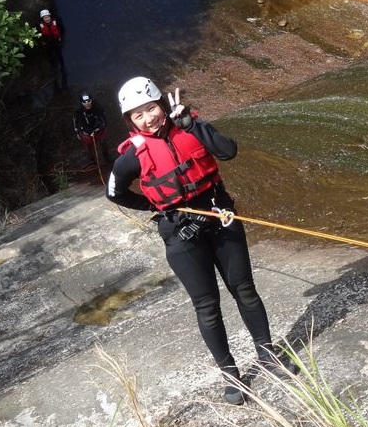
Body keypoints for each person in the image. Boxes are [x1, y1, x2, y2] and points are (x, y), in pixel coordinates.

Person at [105, 76, 298, 405]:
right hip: (181, 235)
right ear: (130, 122)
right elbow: (114, 192)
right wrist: (155, 206)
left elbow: (228, 150)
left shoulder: (188, 127)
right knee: (207, 306)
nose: (148, 118)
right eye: (138, 115)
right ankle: (231, 375)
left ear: (162, 106)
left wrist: (192, 124)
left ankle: (268, 355)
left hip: (220, 217)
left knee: (244, 288)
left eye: (151, 108)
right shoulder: (131, 157)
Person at [73, 92, 110, 163]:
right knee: (89, 146)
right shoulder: (78, 111)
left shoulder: (98, 108)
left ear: (91, 100)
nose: (87, 103)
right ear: (81, 103)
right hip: (86, 132)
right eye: (84, 102)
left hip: (99, 130)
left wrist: (97, 129)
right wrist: (77, 132)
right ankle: (92, 160)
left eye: (89, 101)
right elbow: (76, 122)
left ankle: (106, 156)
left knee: (103, 142)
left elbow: (103, 120)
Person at [37, 8, 68, 90]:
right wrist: (42, 42)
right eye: (45, 17)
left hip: (56, 41)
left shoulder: (56, 22)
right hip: (47, 43)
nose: (47, 19)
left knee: (59, 54)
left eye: (48, 17)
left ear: (50, 16)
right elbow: (38, 34)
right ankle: (53, 68)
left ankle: (62, 67)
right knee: (50, 56)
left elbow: (62, 30)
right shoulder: (40, 25)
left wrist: (61, 37)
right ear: (42, 19)